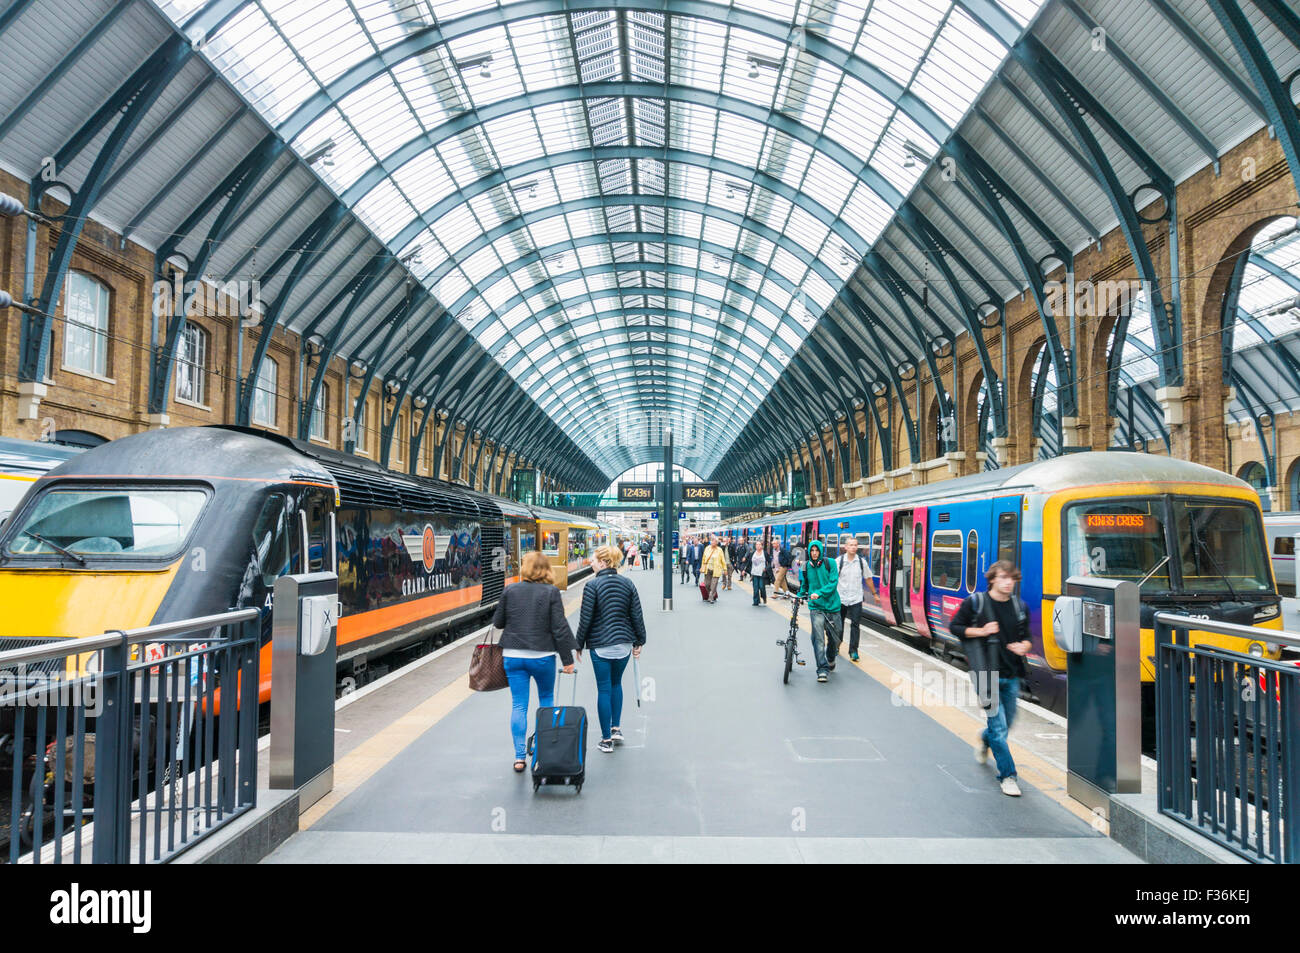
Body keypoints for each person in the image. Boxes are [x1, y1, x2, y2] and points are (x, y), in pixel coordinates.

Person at [947, 560, 1032, 797]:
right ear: (992, 579)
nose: (1008, 583)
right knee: (999, 728)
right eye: (1003, 577)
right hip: (985, 674)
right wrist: (982, 631)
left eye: (1012, 578)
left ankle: (985, 739)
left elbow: (1027, 637)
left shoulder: (1020, 607)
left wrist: (1024, 647)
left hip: (1011, 674)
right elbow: (955, 627)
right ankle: (1008, 776)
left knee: (1006, 725)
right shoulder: (975, 603)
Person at [493, 551, 578, 772]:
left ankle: (519, 757)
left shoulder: (510, 590)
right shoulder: (551, 592)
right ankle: (541, 755)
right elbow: (559, 628)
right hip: (542, 657)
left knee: (519, 705)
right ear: (546, 569)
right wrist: (567, 660)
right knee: (546, 701)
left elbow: (498, 623)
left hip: (513, 656)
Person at [575, 545, 647, 753]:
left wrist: (578, 644)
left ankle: (606, 740)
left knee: (604, 689)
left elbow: (586, 619)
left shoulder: (592, 586)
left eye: (594, 559)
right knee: (616, 684)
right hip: (623, 644)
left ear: (603, 562)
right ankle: (616, 728)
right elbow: (636, 615)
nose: (591, 562)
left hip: (601, 645)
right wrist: (639, 641)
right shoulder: (628, 583)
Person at [797, 540, 841, 683]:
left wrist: (819, 593)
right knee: (819, 639)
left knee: (836, 637)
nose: (814, 553)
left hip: (833, 606)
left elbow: (833, 583)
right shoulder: (805, 567)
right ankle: (822, 669)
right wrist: (799, 596)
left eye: (817, 550)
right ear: (809, 552)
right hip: (815, 607)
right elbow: (804, 586)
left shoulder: (831, 563)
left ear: (821, 551)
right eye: (812, 550)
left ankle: (831, 657)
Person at [836, 536, 877, 663]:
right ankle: (837, 644)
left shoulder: (861, 562)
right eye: (851, 545)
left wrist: (874, 594)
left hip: (856, 598)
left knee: (855, 625)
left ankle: (853, 651)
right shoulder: (839, 561)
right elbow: (832, 579)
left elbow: (868, 578)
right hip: (841, 598)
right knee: (839, 624)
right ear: (846, 547)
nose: (853, 547)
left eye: (855, 545)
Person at [700, 535, 727, 603]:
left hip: (716, 570)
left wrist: (725, 569)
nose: (713, 542)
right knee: (707, 584)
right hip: (708, 569)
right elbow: (703, 558)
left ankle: (711, 597)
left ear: (717, 542)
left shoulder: (719, 550)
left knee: (713, 584)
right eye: (712, 541)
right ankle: (712, 594)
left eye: (714, 541)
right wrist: (702, 566)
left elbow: (723, 560)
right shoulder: (707, 548)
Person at [749, 541, 768, 606]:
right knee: (755, 588)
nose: (758, 546)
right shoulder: (753, 553)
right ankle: (756, 601)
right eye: (757, 544)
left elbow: (769, 562)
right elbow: (749, 562)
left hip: (762, 573)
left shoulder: (764, 553)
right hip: (754, 573)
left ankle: (764, 597)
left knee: (761, 587)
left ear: (762, 546)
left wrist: (766, 568)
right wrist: (744, 570)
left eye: (759, 544)